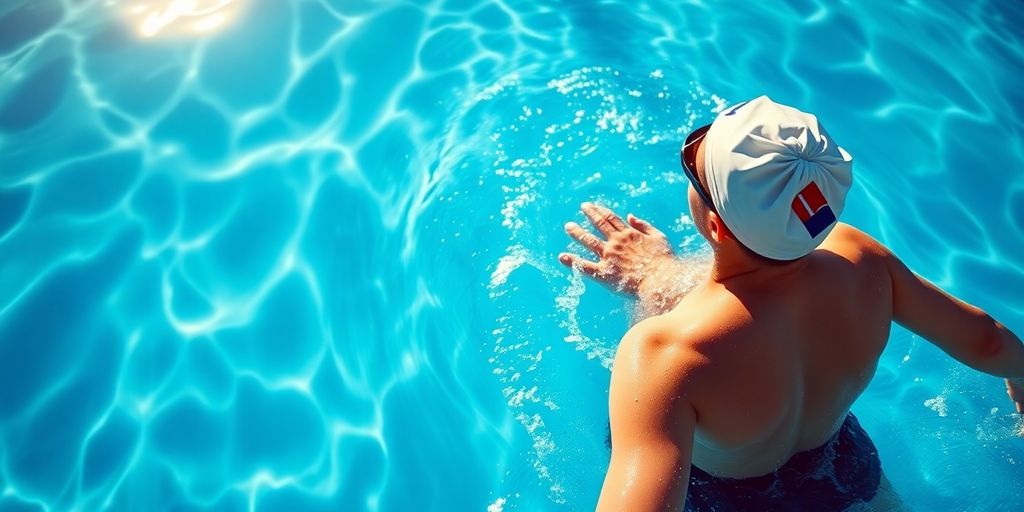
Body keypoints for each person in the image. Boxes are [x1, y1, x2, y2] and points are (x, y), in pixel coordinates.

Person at [557, 96, 1024, 511]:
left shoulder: (665, 355)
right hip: (843, 466)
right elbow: (985, 342)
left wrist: (649, 284)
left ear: (716, 227)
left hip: (727, 499)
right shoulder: (862, 258)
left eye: (695, 170)